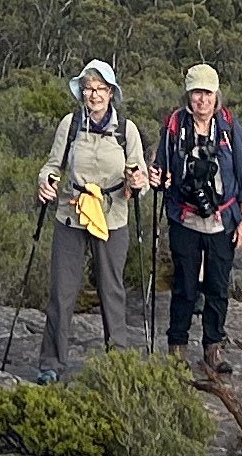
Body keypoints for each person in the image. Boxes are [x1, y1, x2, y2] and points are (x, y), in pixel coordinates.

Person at [35, 61, 156, 379]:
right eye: (88, 88)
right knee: (62, 292)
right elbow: (52, 165)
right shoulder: (71, 124)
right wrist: (46, 181)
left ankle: (117, 365)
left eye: (101, 89)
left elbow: (138, 175)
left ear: (111, 93)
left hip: (113, 217)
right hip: (71, 214)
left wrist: (137, 181)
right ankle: (51, 364)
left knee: (111, 291)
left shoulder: (126, 129)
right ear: (81, 92)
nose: (94, 94)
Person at [158, 64, 242, 376]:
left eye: (208, 93)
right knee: (185, 286)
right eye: (197, 92)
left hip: (222, 219)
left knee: (217, 285)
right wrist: (158, 176)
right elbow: (160, 170)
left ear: (216, 97)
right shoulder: (175, 125)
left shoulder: (227, 125)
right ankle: (177, 349)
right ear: (188, 95)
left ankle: (213, 347)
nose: (202, 100)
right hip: (185, 219)